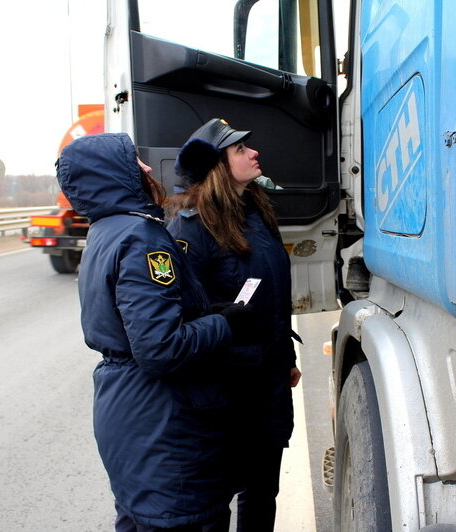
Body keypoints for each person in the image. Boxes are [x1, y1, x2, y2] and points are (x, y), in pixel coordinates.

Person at [56, 132, 254, 532]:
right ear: (114, 174)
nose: (147, 168)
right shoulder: (141, 238)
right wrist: (221, 323)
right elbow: (160, 348)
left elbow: (135, 319)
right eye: (134, 161)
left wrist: (201, 311)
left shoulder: (105, 231)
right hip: (165, 424)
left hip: (131, 416)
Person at [166, 118, 302, 532]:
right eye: (240, 150)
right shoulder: (192, 227)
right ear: (219, 167)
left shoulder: (258, 213)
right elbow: (182, 313)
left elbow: (274, 299)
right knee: (215, 499)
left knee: (263, 493)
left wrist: (286, 358)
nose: (253, 152)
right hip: (224, 390)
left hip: (267, 382)